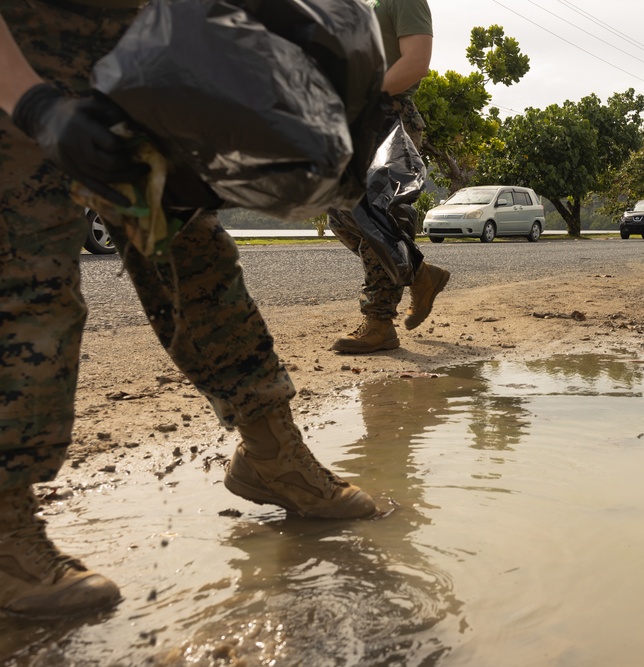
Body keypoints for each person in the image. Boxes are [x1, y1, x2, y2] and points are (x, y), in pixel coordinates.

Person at [0, 2, 378, 620]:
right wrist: (32, 103)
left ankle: (271, 455)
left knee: (195, 259)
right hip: (24, 56)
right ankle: (5, 535)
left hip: (136, 61)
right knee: (24, 280)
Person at [327, 0, 449, 354]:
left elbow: (415, 62)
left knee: (374, 219)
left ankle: (380, 323)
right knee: (341, 215)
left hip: (390, 119)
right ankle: (421, 276)